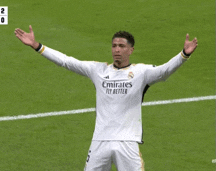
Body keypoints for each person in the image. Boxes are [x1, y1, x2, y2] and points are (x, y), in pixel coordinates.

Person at [14, 25, 198, 171]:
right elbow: (66, 61)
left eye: (122, 46)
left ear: (131, 50)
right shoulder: (98, 70)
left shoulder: (141, 72)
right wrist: (37, 46)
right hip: (100, 140)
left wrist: (184, 54)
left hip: (127, 142)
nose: (117, 50)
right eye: (114, 46)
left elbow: (164, 71)